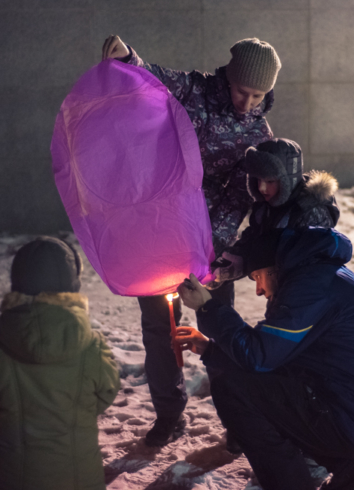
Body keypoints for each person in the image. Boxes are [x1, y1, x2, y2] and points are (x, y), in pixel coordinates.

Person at [102, 35, 281, 445]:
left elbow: (240, 196)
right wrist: (129, 56)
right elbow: (154, 78)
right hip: (158, 238)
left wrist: (208, 252)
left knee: (220, 332)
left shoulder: (258, 131)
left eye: (258, 95)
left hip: (209, 252)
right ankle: (169, 414)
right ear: (229, 78)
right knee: (159, 329)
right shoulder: (196, 90)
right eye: (242, 90)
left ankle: (238, 420)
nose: (248, 102)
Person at [176, 228, 354, 490]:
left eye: (257, 277)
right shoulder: (319, 276)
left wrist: (208, 307)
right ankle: (350, 467)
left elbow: (259, 357)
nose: (258, 290)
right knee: (268, 386)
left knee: (232, 388)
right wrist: (211, 350)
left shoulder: (310, 287)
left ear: (273, 268)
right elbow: (278, 359)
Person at [0, 237, 120, 490]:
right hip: (79, 477)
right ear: (71, 284)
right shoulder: (92, 346)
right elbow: (106, 393)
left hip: (15, 476)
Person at [211, 138, 340, 285]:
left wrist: (247, 264)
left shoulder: (311, 211)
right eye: (258, 180)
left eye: (270, 181)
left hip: (309, 290)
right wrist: (233, 260)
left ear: (287, 180)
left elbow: (296, 258)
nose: (262, 188)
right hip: (280, 289)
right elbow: (255, 239)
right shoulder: (265, 207)